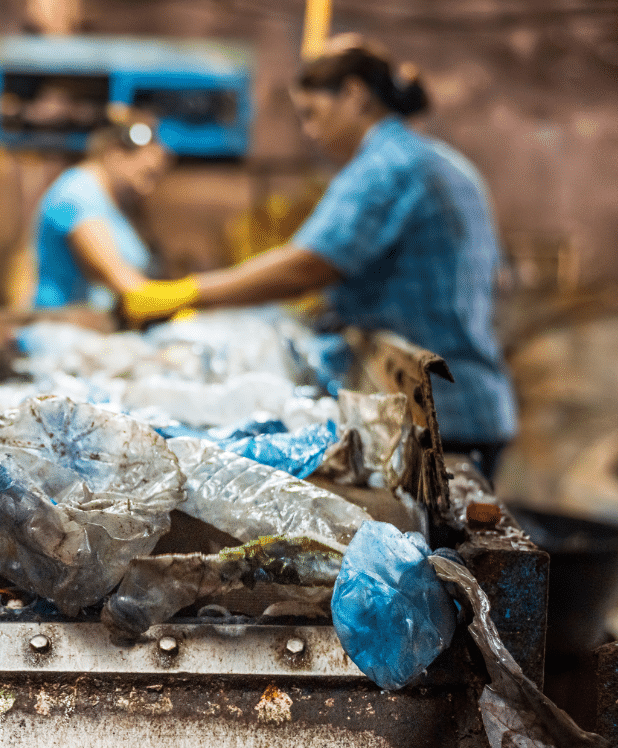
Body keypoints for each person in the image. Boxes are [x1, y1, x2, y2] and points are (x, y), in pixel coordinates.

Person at [123, 38, 517, 475]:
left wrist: (186, 293)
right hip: (467, 399)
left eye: (312, 113)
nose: (309, 132)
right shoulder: (437, 160)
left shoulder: (388, 165)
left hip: (443, 413)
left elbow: (309, 264)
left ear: (354, 95)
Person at [32, 115, 181, 310]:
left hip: (92, 326)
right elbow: (123, 283)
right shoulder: (77, 195)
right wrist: (198, 293)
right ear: (114, 154)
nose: (148, 189)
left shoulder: (113, 202)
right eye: (147, 174)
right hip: (61, 326)